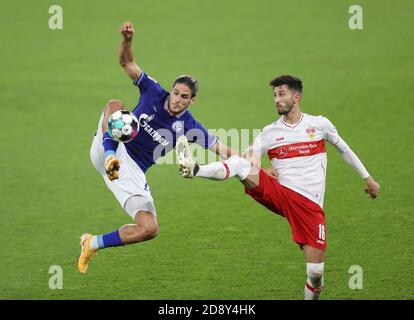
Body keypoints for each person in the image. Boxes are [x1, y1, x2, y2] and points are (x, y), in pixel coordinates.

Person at [176, 75, 381, 300]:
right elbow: (248, 158)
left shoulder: (319, 124)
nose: (276, 100)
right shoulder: (270, 132)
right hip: (281, 195)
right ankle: (195, 169)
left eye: (281, 94)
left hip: (309, 206)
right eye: (274, 95)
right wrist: (260, 169)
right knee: (239, 164)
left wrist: (367, 178)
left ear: (297, 96)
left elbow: (344, 149)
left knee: (315, 274)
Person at [78, 21, 236, 274]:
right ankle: (110, 157)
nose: (176, 99)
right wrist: (127, 40)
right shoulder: (152, 91)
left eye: (184, 97)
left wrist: (254, 167)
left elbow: (225, 150)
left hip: (130, 173)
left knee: (149, 229)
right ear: (170, 90)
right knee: (115, 104)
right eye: (175, 93)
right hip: (111, 150)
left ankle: (92, 243)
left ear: (192, 100)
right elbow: (126, 63)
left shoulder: (190, 126)